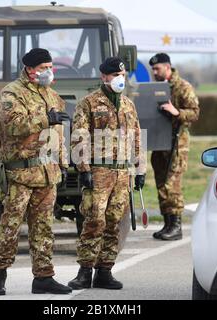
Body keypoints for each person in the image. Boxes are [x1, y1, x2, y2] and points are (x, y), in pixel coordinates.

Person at [0, 48, 72, 296]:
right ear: (30, 69)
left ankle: (44, 278)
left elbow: (58, 135)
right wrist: (46, 119)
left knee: (44, 227)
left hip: (47, 173)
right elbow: (13, 126)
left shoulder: (52, 95)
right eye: (44, 67)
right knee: (10, 226)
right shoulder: (11, 93)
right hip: (20, 174)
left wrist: (64, 163)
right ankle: (0, 273)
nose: (49, 71)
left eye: (50, 66)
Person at [68, 57, 146, 290]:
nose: (119, 79)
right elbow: (79, 135)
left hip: (123, 173)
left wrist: (140, 169)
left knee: (113, 222)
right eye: (115, 75)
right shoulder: (89, 103)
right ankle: (84, 271)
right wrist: (83, 169)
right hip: (99, 171)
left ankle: (105, 271)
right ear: (104, 77)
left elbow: (137, 138)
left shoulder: (128, 105)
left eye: (122, 75)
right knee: (94, 220)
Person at [149, 53, 200, 241]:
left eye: (157, 68)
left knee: (172, 185)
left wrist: (176, 112)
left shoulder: (182, 87)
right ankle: (167, 223)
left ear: (168, 67)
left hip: (177, 144)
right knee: (161, 183)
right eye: (153, 69)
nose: (154, 72)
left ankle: (176, 226)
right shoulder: (155, 88)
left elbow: (195, 113)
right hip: (159, 142)